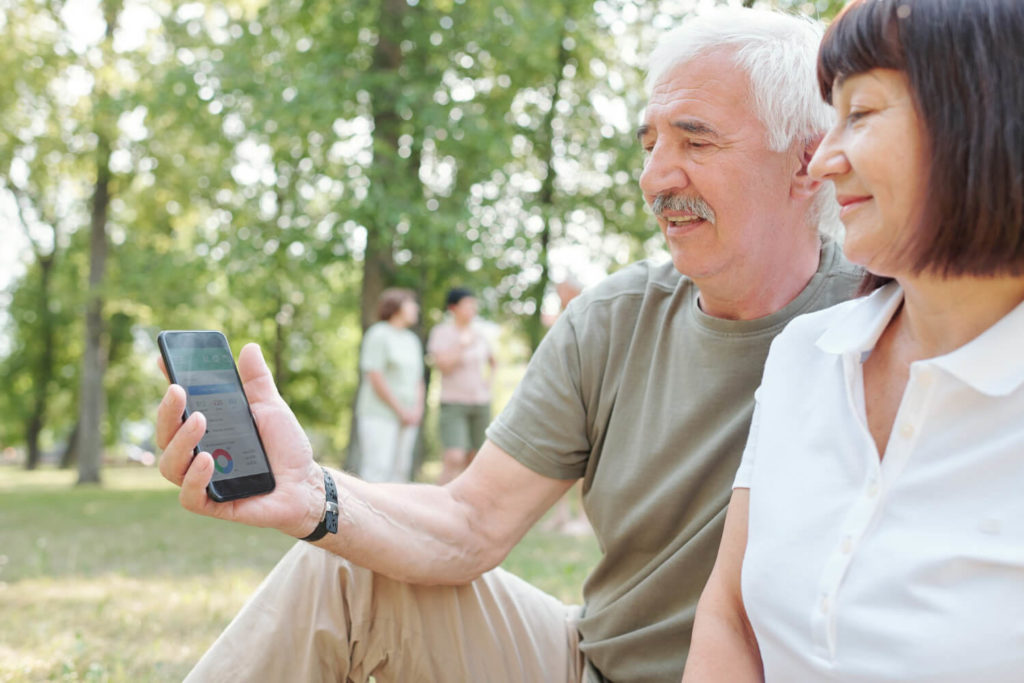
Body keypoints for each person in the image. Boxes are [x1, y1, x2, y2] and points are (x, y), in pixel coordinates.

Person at [154, 7, 862, 682]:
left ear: (806, 163)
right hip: (588, 664)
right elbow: (472, 519)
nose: (654, 177)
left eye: (696, 139)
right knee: (339, 563)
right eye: (650, 144)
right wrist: (312, 494)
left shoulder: (886, 315)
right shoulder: (610, 320)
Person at [684, 1, 1024, 681]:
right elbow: (728, 613)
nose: (824, 160)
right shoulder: (804, 353)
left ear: (987, 114)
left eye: (860, 114)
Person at [353, 288, 424, 482]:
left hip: (409, 417)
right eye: (411, 303)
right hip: (379, 414)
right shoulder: (378, 334)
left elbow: (418, 379)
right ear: (397, 306)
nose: (416, 308)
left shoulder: (412, 340)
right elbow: (375, 376)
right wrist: (399, 410)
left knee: (401, 470)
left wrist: (417, 410)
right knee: (378, 468)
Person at [426, 287, 496, 484]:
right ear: (453, 308)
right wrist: (462, 345)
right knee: (454, 456)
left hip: (480, 402)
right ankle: (438, 507)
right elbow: (444, 366)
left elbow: (493, 362)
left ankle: (465, 508)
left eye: (474, 305)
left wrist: (488, 383)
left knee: (475, 459)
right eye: (467, 305)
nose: (472, 310)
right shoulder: (441, 332)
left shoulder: (481, 333)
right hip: (453, 402)